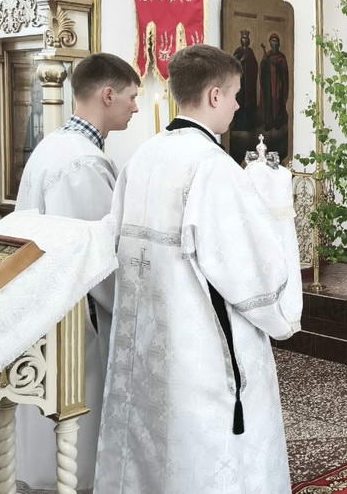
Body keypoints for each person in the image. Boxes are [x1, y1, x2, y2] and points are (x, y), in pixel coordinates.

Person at [94, 45, 301, 493]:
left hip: (147, 347)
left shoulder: (143, 157)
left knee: (153, 451)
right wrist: (283, 310)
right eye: (235, 95)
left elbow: (112, 247)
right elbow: (250, 276)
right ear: (214, 95)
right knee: (207, 453)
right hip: (201, 352)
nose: (238, 105)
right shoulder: (212, 168)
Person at [0, 53, 140, 494]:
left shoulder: (55, 145)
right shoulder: (82, 162)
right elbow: (95, 256)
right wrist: (134, 306)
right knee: (70, 422)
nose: (136, 107)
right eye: (131, 97)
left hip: (40, 305)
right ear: (108, 95)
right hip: (70, 318)